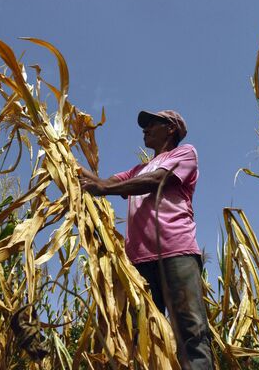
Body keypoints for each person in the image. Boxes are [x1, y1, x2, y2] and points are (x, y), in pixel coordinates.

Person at [78, 109, 213, 370]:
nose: (145, 129)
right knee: (141, 336)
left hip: (175, 253)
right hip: (138, 263)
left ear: (171, 128)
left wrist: (104, 189)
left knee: (190, 332)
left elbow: (156, 180)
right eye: (145, 125)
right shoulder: (137, 170)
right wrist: (66, 159)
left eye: (152, 124)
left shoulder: (184, 154)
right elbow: (103, 182)